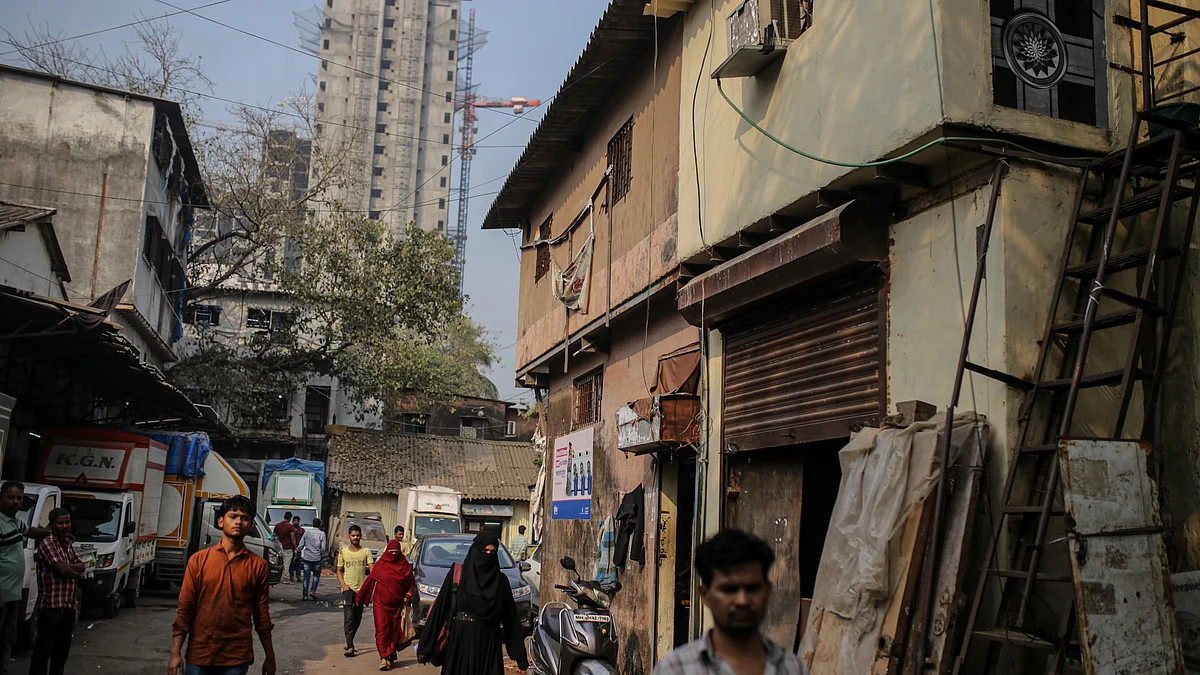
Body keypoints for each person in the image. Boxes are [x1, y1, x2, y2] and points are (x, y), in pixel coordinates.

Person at [653, 529, 807, 675]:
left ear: (767, 592)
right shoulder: (675, 670)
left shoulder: (792, 668)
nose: (742, 601)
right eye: (729, 589)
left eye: (752, 588)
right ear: (705, 595)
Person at [169, 495, 276, 675]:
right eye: (233, 516)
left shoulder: (257, 565)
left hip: (236, 656)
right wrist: (175, 651)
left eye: (244, 518)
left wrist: (270, 657)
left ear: (250, 525)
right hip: (199, 653)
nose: (238, 522)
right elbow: (185, 607)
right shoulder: (199, 561)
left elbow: (261, 614)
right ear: (220, 521)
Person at [416, 531, 528, 674]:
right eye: (484, 551)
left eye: (492, 552)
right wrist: (426, 646)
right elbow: (440, 609)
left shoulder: (501, 582)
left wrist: (520, 657)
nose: (487, 556)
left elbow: (510, 620)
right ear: (475, 551)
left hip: (488, 644)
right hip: (460, 642)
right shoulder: (458, 576)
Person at [0, 481, 50, 675]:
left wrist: (53, 534)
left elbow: (30, 531)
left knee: (7, 637)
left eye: (19, 498)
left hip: (12, 594)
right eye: (10, 497)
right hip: (2, 594)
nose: (15, 502)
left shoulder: (13, 521)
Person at [29, 507, 85, 675]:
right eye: (60, 523)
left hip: (68, 606)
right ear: (52, 525)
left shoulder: (68, 543)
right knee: (43, 651)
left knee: (61, 653)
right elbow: (62, 570)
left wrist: (72, 570)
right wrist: (75, 573)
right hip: (51, 607)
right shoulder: (48, 543)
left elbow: (81, 566)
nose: (64, 526)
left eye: (67, 522)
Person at [356, 539, 416, 671]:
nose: (393, 555)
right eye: (391, 552)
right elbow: (370, 581)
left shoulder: (405, 566)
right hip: (380, 604)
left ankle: (389, 655)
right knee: (381, 630)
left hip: (397, 605)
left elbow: (411, 584)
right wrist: (360, 598)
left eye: (396, 552)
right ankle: (384, 657)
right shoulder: (381, 564)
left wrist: (407, 596)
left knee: (393, 631)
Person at [337, 524, 374, 656]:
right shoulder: (343, 552)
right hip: (348, 589)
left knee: (357, 618)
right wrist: (344, 585)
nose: (355, 537)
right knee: (348, 617)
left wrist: (369, 585)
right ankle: (350, 645)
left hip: (361, 590)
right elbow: (339, 570)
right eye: (353, 535)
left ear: (361, 536)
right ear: (349, 536)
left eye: (357, 535)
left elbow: (372, 569)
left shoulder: (366, 551)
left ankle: (350, 640)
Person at [297, 518, 328, 600]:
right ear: (320, 524)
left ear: (312, 524)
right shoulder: (322, 534)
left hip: (307, 557)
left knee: (306, 576)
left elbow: (301, 545)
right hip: (317, 557)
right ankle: (313, 591)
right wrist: (322, 555)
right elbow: (323, 547)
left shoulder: (307, 533)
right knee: (316, 575)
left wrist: (297, 551)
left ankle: (305, 595)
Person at [273, 511, 297, 585]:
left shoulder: (278, 525)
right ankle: (286, 578)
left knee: (278, 563)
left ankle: (276, 576)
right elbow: (292, 538)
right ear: (290, 518)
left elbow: (274, 536)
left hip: (279, 546)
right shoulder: (290, 526)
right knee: (287, 563)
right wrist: (295, 547)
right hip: (288, 547)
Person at [289, 516, 305, 583]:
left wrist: (301, 547)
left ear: (299, 521)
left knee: (298, 563)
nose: (296, 522)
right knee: (291, 563)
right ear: (292, 521)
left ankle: (298, 576)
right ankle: (291, 576)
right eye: (295, 521)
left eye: (297, 521)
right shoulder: (290, 529)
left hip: (298, 548)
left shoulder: (302, 530)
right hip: (291, 548)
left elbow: (304, 539)